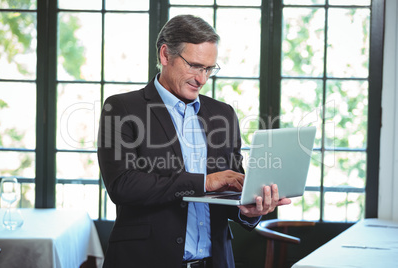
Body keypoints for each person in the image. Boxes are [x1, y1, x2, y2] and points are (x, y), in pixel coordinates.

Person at [97, 14, 291, 268]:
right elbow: (123, 185)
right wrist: (205, 182)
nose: (202, 79)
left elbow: (231, 189)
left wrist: (249, 209)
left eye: (209, 69)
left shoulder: (223, 114)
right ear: (165, 55)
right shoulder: (122, 108)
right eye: (195, 66)